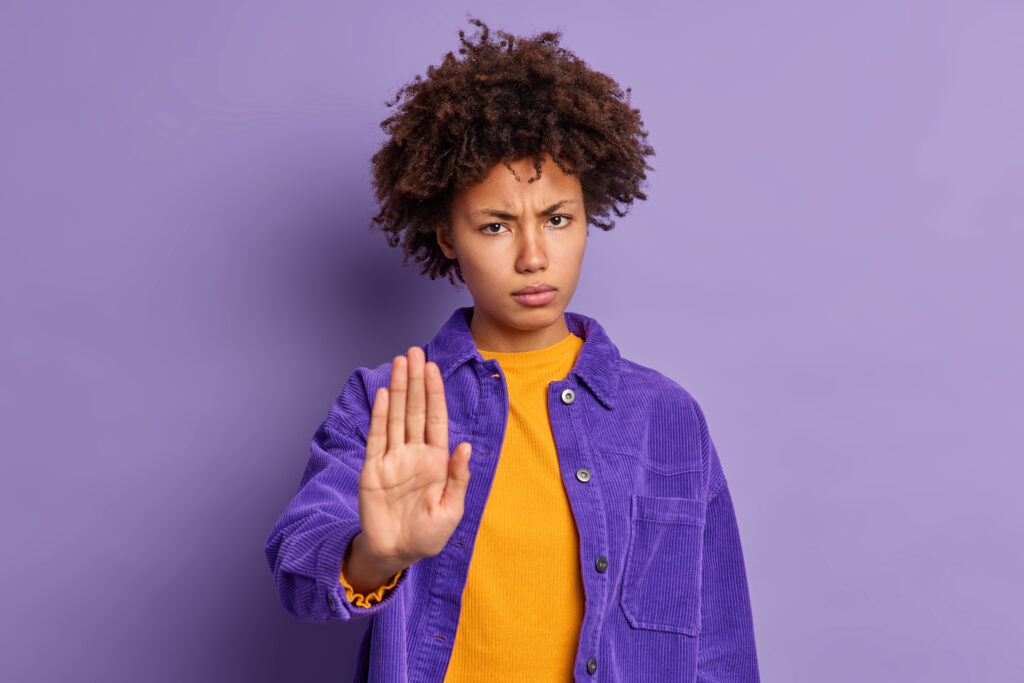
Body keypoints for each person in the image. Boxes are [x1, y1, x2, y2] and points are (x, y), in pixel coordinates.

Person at [265, 16, 760, 682]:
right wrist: (375, 555)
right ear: (446, 235)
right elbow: (299, 565)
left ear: (588, 216)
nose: (533, 256)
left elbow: (720, 649)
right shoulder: (388, 401)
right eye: (495, 226)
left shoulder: (668, 419)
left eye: (558, 219)